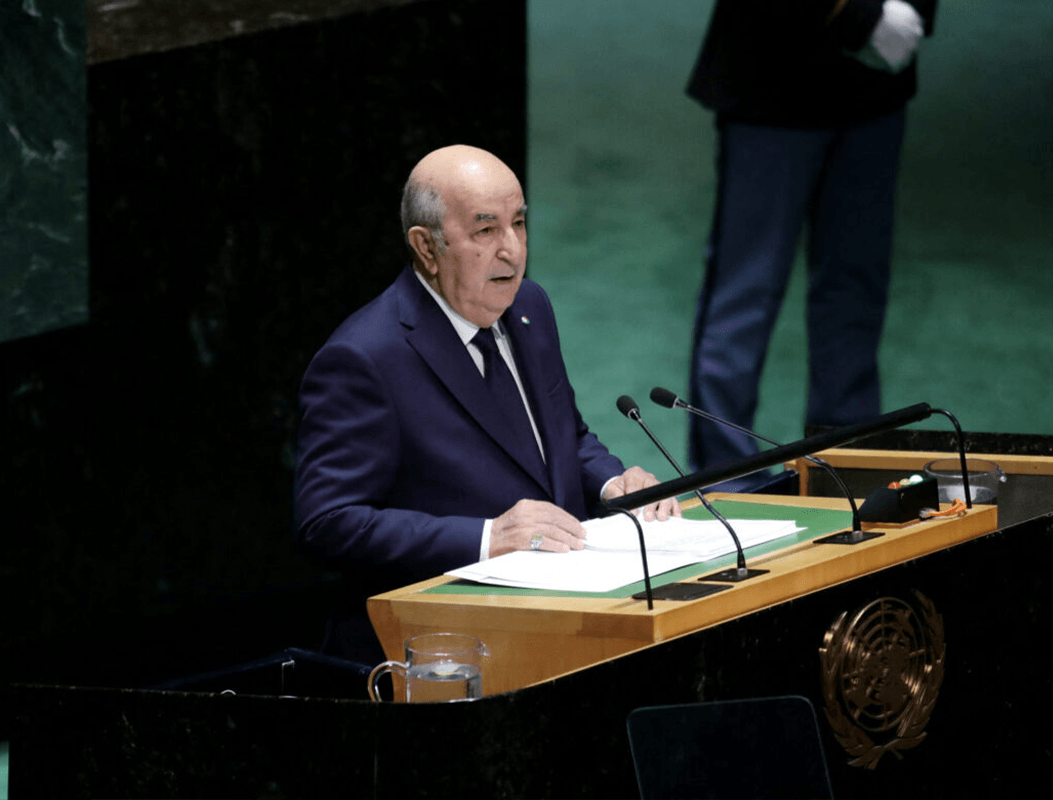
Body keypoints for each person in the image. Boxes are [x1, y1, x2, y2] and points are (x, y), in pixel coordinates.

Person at [294, 145, 680, 663]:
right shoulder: (365, 357)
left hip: (564, 616)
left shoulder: (530, 307)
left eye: (518, 223)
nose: (513, 251)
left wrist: (615, 486)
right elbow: (328, 522)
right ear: (426, 247)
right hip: (440, 647)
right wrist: (486, 538)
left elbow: (562, 437)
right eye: (486, 230)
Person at [685, 1, 937, 486]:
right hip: (772, 75)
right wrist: (862, 17)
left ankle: (847, 464)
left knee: (855, 289)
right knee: (744, 294)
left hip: (873, 90)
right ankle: (727, 479)